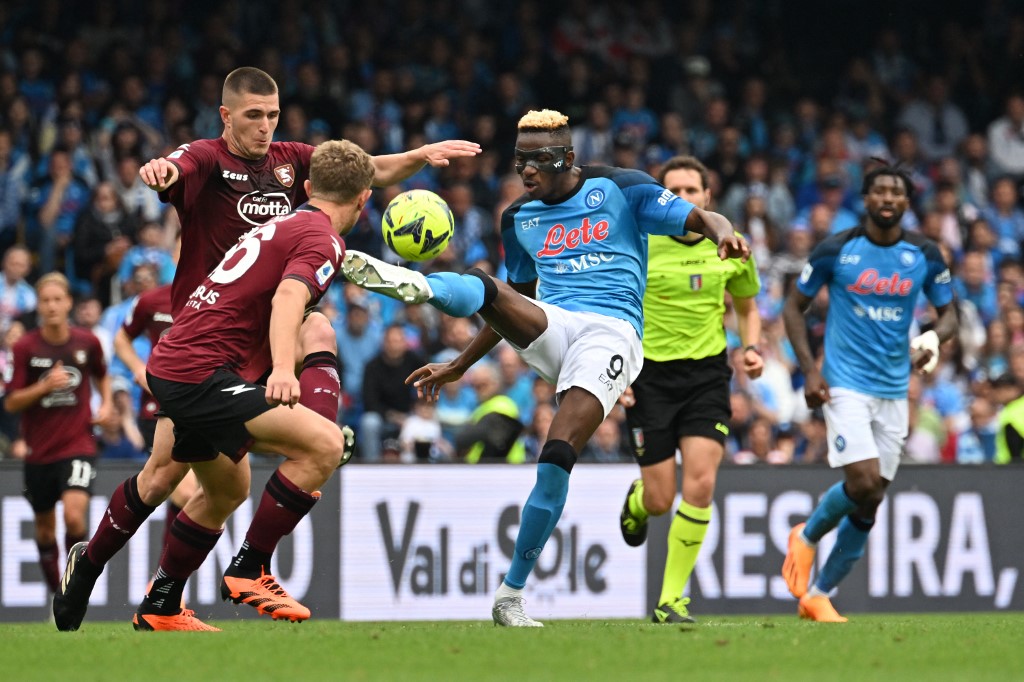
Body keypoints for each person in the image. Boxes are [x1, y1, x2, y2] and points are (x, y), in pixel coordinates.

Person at [52, 66, 477, 631]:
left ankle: (162, 600)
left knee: (230, 485)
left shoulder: (293, 163)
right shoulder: (208, 159)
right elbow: (177, 167)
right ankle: (145, 561)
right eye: (254, 115)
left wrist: (420, 154)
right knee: (161, 476)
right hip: (208, 340)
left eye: (273, 114)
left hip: (228, 345)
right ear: (226, 116)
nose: (265, 125)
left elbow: (359, 169)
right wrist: (160, 171)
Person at [341, 109, 749, 626]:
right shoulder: (518, 218)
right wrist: (460, 365)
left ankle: (510, 595)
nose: (528, 169)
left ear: (568, 157)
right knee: (487, 285)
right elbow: (515, 302)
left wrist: (724, 233)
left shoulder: (621, 189)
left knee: (555, 456)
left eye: (540, 158)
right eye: (520, 159)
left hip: (612, 333)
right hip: (554, 325)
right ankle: (417, 286)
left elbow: (698, 218)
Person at [98, 139, 371, 631]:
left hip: (186, 364)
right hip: (199, 371)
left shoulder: (282, 223)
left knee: (228, 487)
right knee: (325, 445)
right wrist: (285, 370)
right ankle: (249, 569)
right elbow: (289, 297)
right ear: (364, 200)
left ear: (307, 188)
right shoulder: (324, 237)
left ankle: (160, 604)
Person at [780, 163, 957, 622]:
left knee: (872, 496)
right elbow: (793, 308)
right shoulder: (837, 250)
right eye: (879, 191)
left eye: (896, 192)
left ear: (906, 202)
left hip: (895, 390)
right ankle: (807, 536)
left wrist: (934, 339)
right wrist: (810, 371)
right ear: (866, 199)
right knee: (861, 481)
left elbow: (950, 314)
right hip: (845, 384)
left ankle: (819, 594)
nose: (887, 198)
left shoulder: (924, 254)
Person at [616, 155, 763, 624]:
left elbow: (747, 304)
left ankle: (671, 599)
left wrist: (752, 347)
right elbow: (615, 306)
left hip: (706, 376)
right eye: (673, 191)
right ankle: (638, 502)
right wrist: (616, 372)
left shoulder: (730, 244)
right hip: (650, 378)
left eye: (691, 191)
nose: (683, 199)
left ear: (707, 197)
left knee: (700, 482)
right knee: (661, 499)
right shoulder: (640, 243)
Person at [5, 273, 112, 599]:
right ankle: (59, 597)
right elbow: (11, 402)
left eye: (57, 299)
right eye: (45, 300)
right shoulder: (25, 347)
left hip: (78, 442)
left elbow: (102, 375)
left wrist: (106, 404)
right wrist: (44, 386)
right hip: (39, 451)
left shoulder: (87, 342)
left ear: (68, 303)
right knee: (45, 529)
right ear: (39, 306)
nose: (51, 306)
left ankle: (73, 591)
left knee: (74, 516)